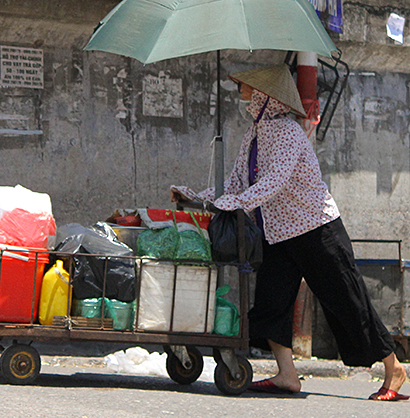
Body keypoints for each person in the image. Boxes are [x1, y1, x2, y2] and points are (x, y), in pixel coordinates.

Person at [171, 64, 407, 401]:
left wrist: (234, 202)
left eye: (249, 86)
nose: (242, 91)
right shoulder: (254, 133)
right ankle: (287, 375)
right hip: (279, 232)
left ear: (266, 96)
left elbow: (274, 182)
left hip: (316, 229)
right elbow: (237, 182)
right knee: (272, 302)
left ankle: (394, 367)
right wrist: (197, 198)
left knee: (348, 300)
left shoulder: (288, 132)